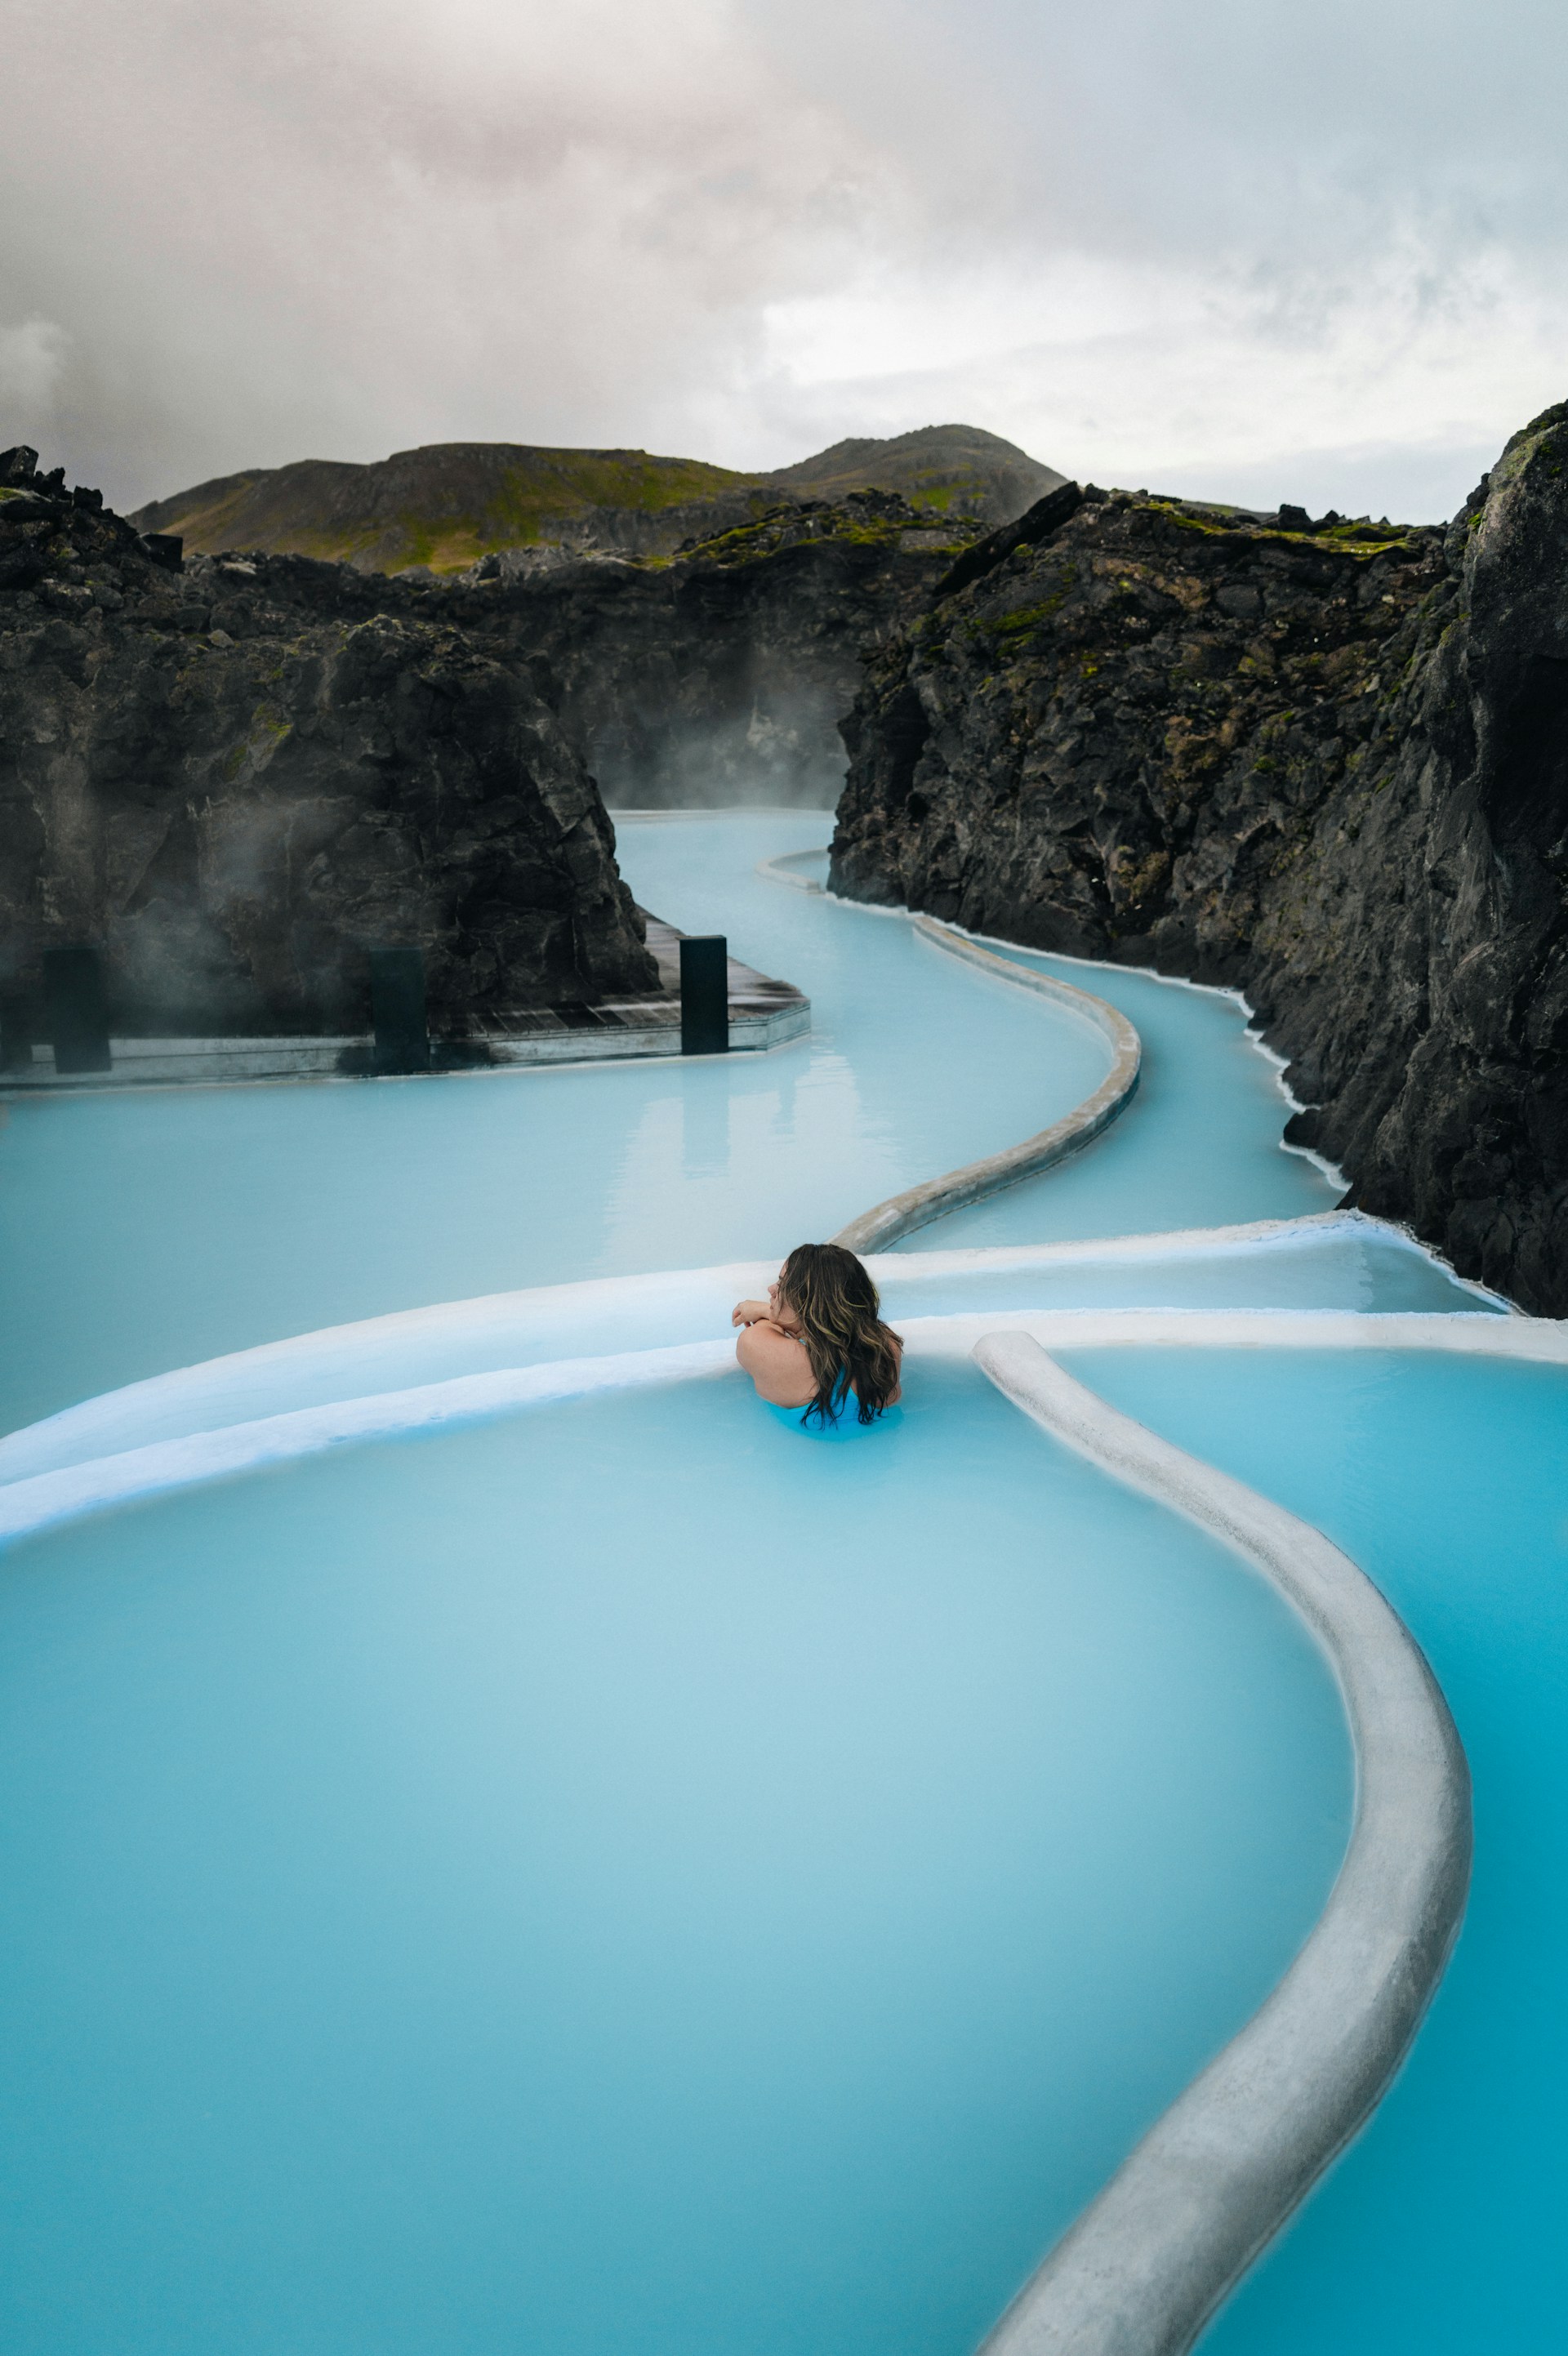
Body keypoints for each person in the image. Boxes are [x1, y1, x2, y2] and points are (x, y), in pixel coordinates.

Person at [732, 1242, 903, 1428]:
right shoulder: (887, 1348)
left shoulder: (765, 1348)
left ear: (807, 1302)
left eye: (782, 1283)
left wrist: (766, 1313)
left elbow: (764, 1332)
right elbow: (858, 1324)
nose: (771, 1289)